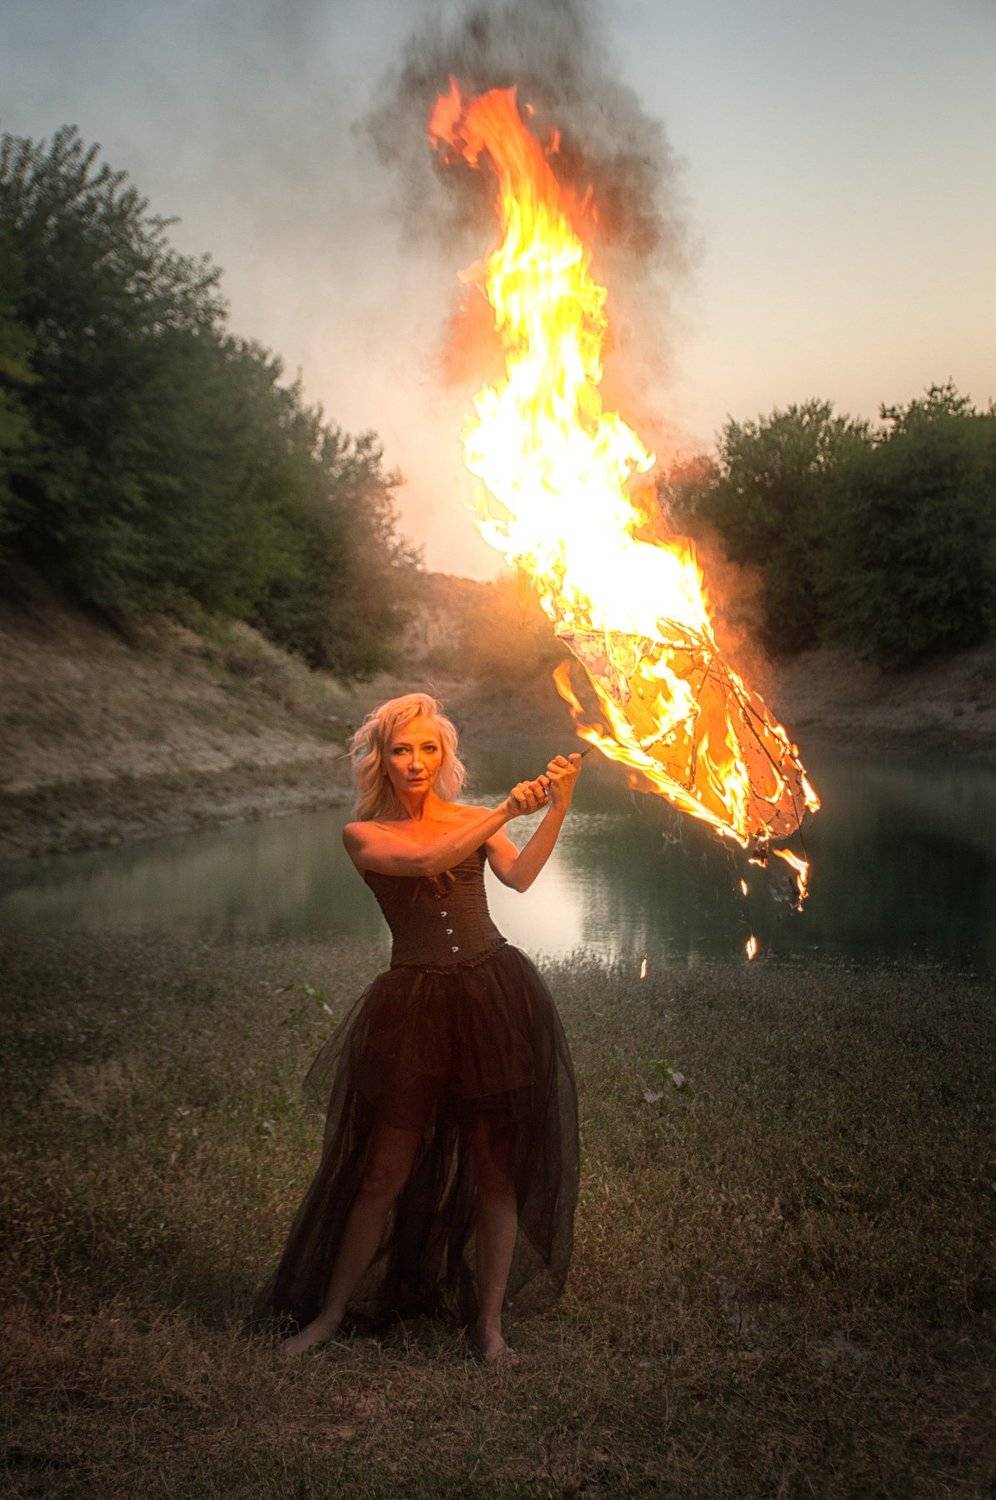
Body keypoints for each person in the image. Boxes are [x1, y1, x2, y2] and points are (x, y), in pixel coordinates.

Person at [254, 691, 581, 1362]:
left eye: (428, 748)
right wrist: (504, 810)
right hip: (413, 1007)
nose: (415, 761)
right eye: (401, 749)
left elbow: (519, 877)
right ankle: (329, 1316)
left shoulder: (472, 817)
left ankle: (489, 1329)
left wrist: (557, 807)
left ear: (444, 756)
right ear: (380, 759)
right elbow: (425, 863)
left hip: (491, 995)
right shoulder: (363, 835)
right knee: (382, 1172)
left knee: (496, 1172)